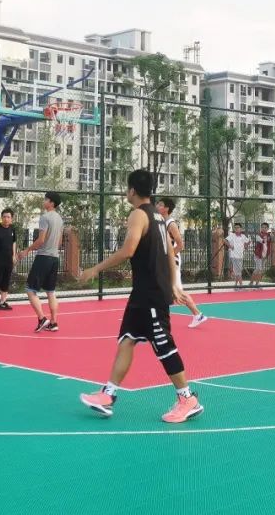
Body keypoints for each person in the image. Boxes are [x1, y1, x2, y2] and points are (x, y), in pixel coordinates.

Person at [77, 169, 202, 423]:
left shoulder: (138, 214)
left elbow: (128, 250)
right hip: (143, 292)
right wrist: (174, 283)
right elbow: (170, 252)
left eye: (127, 188)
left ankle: (187, 398)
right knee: (127, 339)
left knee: (163, 345)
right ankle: (108, 394)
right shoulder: (158, 216)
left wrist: (95, 269)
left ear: (132, 190)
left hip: (151, 293)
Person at [156, 197, 208, 328]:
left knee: (176, 290)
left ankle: (197, 314)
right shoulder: (161, 222)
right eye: (157, 204)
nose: (157, 206)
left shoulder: (171, 224)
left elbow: (180, 245)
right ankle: (197, 314)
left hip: (173, 260)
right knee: (169, 289)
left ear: (166, 208)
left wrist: (168, 257)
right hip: (167, 260)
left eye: (160, 205)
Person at [16, 192, 63, 332]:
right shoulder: (60, 219)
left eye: (46, 199)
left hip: (43, 257)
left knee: (30, 290)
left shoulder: (45, 217)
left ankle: (42, 318)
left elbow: (41, 240)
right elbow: (59, 242)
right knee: (51, 291)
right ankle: (54, 322)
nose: (44, 201)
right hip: (54, 258)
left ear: (52, 203)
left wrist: (27, 250)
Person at [225, 223, 249, 289]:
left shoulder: (243, 236)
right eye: (235, 228)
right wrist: (230, 246)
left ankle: (235, 285)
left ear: (241, 229)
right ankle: (241, 285)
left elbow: (248, 241)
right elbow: (225, 240)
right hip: (234, 256)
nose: (236, 229)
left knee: (238, 271)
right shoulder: (232, 235)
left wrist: (245, 246)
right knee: (238, 271)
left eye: (238, 227)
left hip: (240, 256)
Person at [250, 222, 272, 288]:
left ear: (268, 228)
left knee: (261, 269)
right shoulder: (258, 235)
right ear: (261, 228)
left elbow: (273, 239)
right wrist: (266, 239)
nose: (264, 228)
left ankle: (256, 283)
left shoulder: (269, 235)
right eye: (262, 227)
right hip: (258, 255)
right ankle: (253, 283)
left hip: (265, 255)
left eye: (265, 227)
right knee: (258, 269)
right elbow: (261, 241)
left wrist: (274, 234)